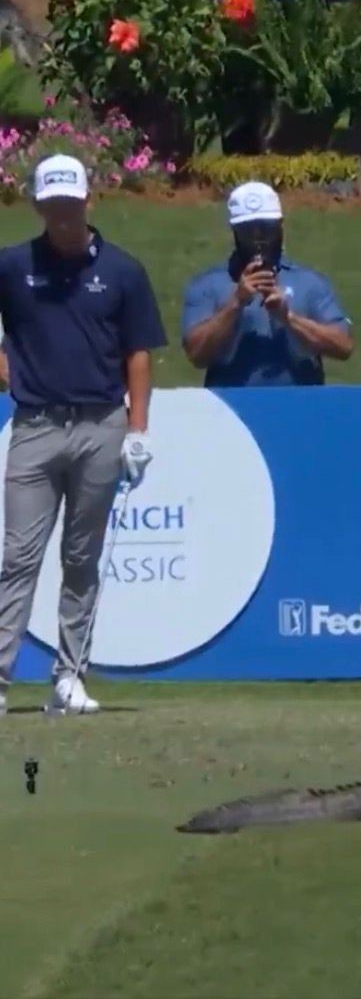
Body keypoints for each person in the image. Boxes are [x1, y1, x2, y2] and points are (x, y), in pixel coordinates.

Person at [0, 154, 167, 716]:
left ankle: (69, 676)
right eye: (53, 206)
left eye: (71, 205)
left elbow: (138, 353)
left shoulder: (122, 271)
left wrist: (138, 430)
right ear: (39, 206)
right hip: (36, 425)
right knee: (19, 556)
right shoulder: (12, 266)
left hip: (102, 424)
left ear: (87, 202)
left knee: (82, 557)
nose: (63, 216)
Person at [180, 181, 354, 387]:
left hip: (299, 406)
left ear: (280, 225)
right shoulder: (209, 284)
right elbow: (197, 354)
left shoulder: (309, 282)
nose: (258, 237)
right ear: (234, 230)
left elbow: (343, 346)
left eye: (266, 228)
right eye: (248, 230)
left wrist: (288, 318)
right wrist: (236, 303)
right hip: (231, 411)